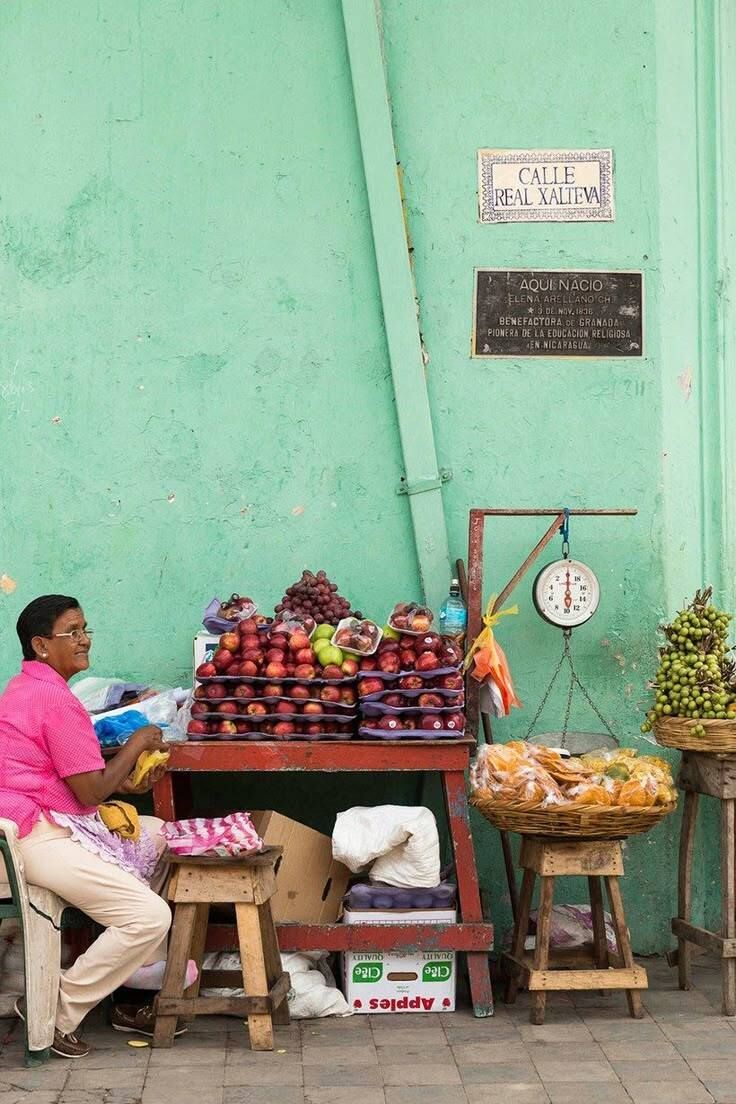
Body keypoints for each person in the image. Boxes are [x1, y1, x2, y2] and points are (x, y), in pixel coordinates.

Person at [0, 595, 176, 1058]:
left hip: (44, 819)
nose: (84, 640)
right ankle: (55, 1009)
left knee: (159, 837)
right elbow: (91, 793)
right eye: (72, 632)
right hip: (35, 834)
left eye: (84, 630)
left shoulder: (26, 686)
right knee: (150, 917)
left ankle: (130, 988)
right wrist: (137, 743)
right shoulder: (54, 700)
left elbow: (75, 779)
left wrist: (130, 782)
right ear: (41, 645)